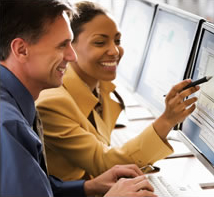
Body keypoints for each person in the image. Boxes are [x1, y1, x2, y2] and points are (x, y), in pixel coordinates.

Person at [0, 0, 156, 196]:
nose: (72, 56)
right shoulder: (8, 125)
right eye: (62, 45)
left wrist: (88, 187)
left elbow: (36, 186)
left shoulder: (15, 102)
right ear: (21, 50)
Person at [36, 1, 199, 182]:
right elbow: (105, 165)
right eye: (100, 42)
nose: (115, 51)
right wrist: (167, 120)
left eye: (117, 41)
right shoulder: (51, 102)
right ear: (70, 47)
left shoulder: (99, 85)